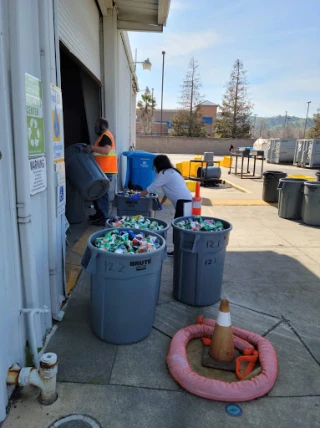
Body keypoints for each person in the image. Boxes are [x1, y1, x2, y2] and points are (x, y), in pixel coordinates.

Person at [129, 155, 192, 255]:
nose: (154, 168)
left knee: (179, 228)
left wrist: (138, 196)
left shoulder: (164, 174)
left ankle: (179, 252)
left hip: (183, 203)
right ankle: (182, 251)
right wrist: (161, 203)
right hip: (188, 201)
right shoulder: (173, 172)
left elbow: (151, 188)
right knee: (184, 227)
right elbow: (169, 190)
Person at [84, 118, 117, 225]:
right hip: (102, 170)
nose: (95, 127)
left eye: (97, 125)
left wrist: (92, 148)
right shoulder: (103, 136)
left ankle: (104, 218)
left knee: (102, 194)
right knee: (98, 193)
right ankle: (99, 214)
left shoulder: (106, 136)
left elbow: (106, 150)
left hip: (105, 170)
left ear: (102, 126)